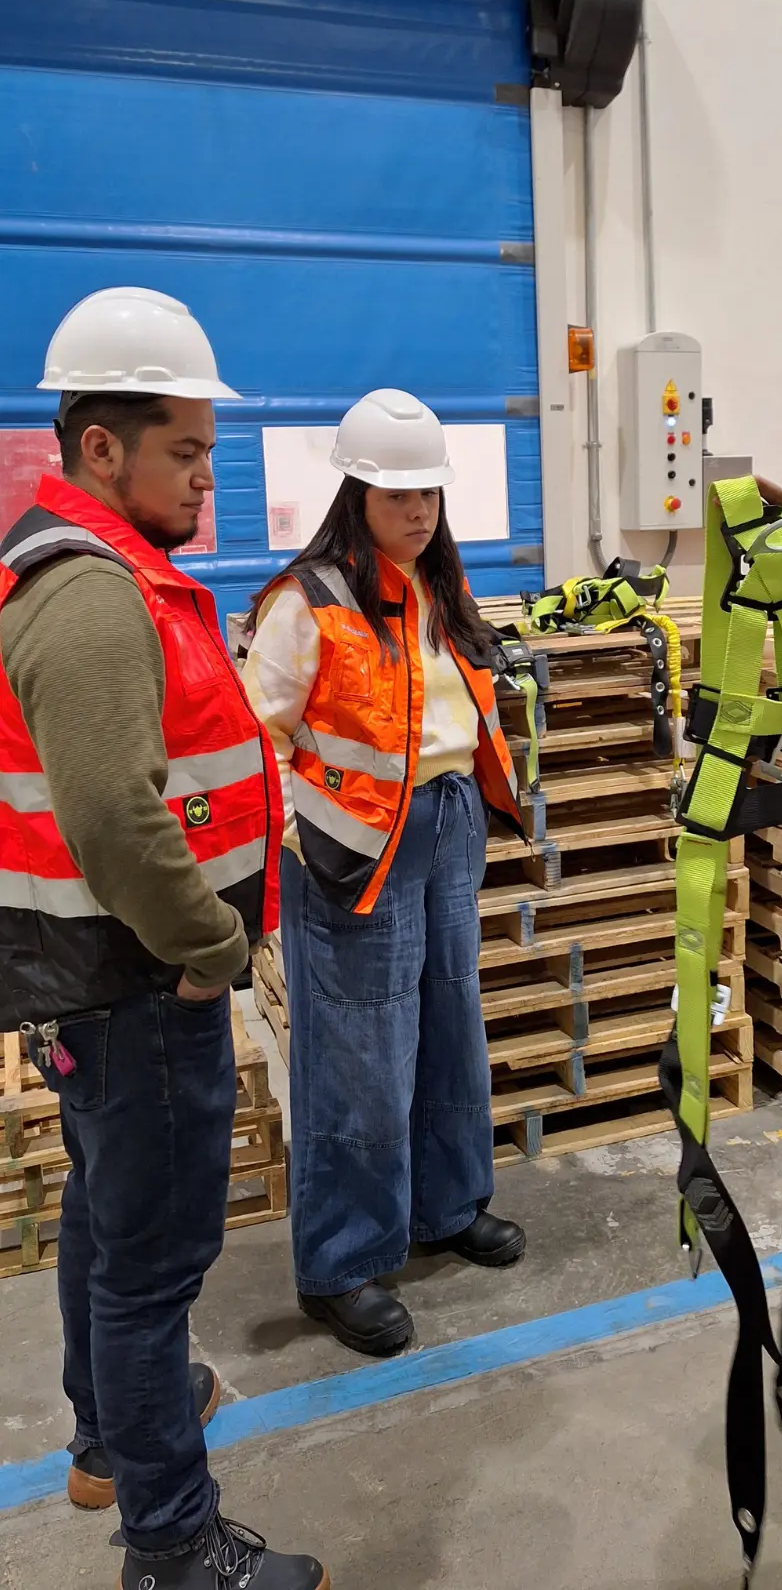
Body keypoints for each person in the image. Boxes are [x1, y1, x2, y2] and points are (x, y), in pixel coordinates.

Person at [0, 287, 328, 1590]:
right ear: (99, 450)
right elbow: (117, 821)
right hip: (139, 986)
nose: (207, 475)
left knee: (108, 1220)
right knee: (154, 1267)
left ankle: (105, 1435)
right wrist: (208, 949)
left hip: (113, 984)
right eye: (184, 452)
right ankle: (175, 1547)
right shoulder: (88, 596)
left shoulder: (104, 569)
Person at [243, 389, 526, 1357]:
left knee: (449, 1028)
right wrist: (300, 835)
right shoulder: (307, 601)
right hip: (354, 851)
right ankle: (344, 1262)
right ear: (357, 492)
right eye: (398, 493)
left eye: (429, 495)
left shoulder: (440, 591)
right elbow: (258, 739)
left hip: (447, 830)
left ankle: (447, 1206)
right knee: (359, 1060)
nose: (418, 511)